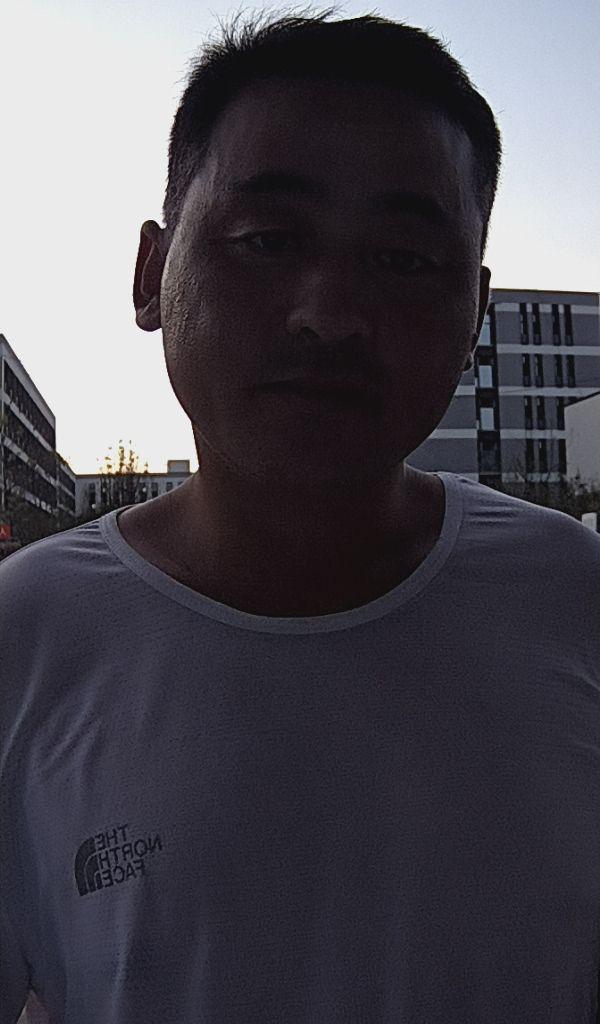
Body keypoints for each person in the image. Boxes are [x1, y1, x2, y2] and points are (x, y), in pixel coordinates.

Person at [2, 7, 600, 1023]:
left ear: (473, 314)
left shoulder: (575, 599)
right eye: (268, 240)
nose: (329, 312)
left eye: (403, 259)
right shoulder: (27, 636)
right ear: (151, 275)